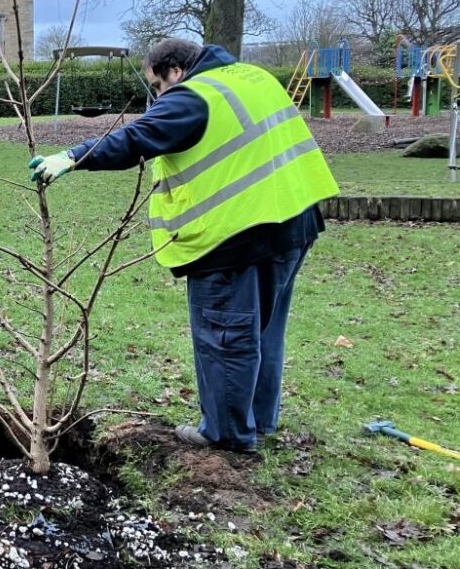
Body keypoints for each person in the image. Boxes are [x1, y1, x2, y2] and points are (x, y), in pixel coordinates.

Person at [28, 39, 339, 452]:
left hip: (235, 236)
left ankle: (227, 433)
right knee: (264, 330)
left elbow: (138, 137)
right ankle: (258, 420)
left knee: (226, 337)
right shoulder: (253, 78)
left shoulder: (194, 95)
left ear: (175, 71)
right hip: (294, 221)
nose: (158, 96)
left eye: (157, 85)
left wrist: (72, 157)